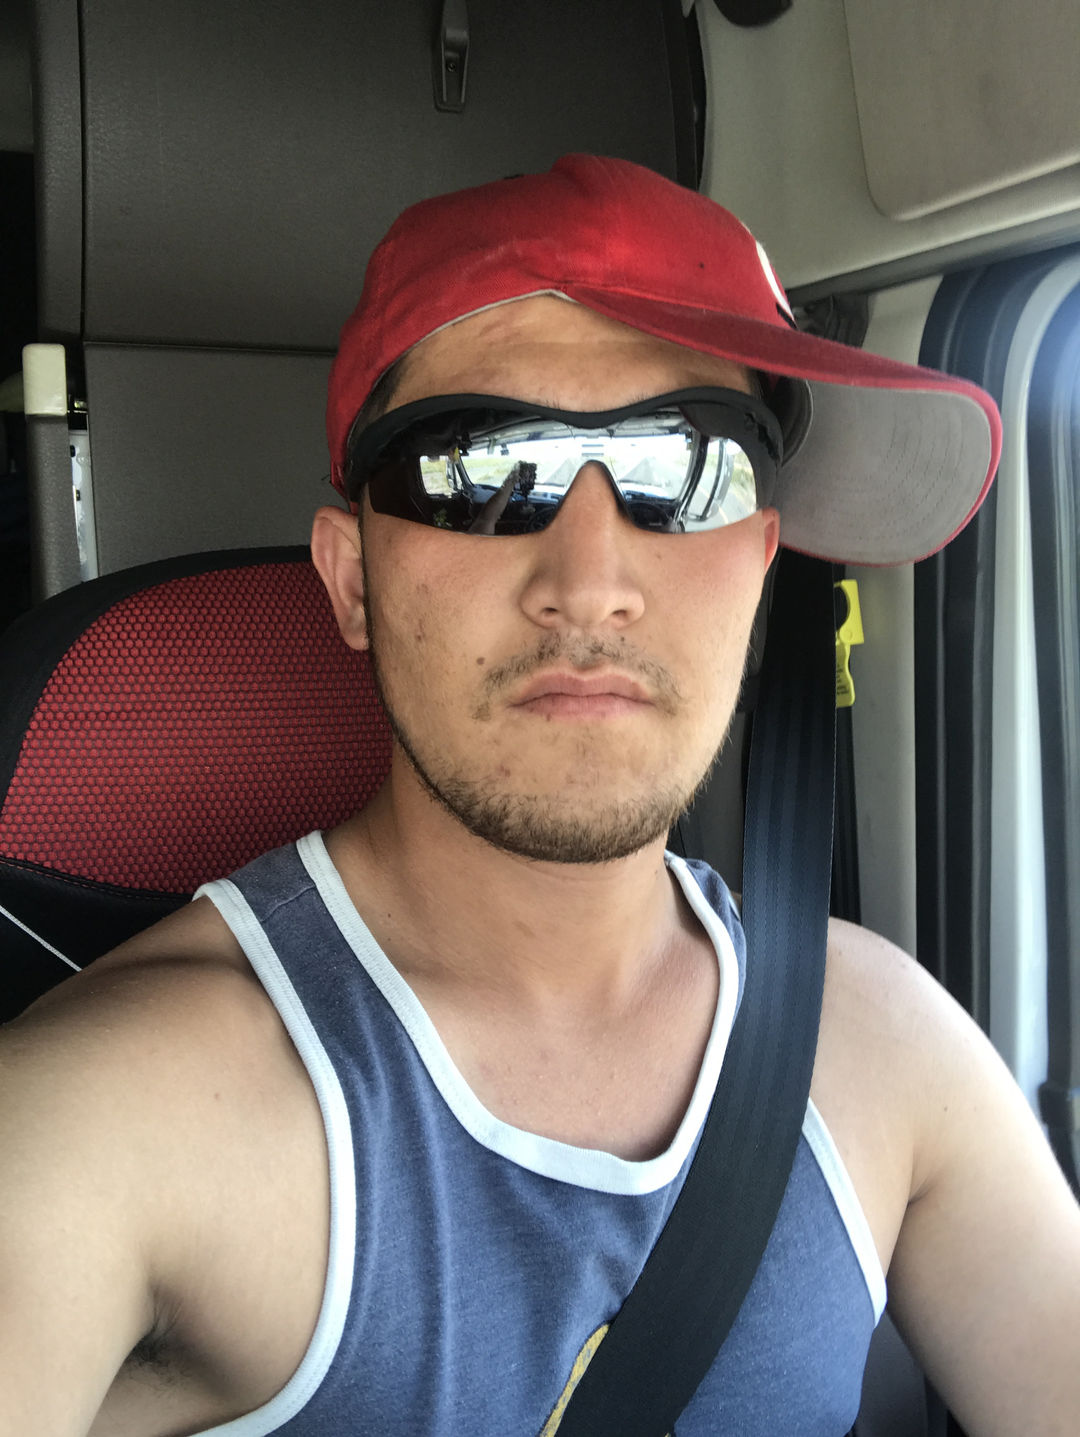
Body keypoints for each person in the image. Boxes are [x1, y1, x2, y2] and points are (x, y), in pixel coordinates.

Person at [1, 155, 1077, 1437]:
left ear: (759, 569)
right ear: (352, 581)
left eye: (689, 469)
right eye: (481, 468)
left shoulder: (887, 1044)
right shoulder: (110, 1115)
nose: (590, 583)